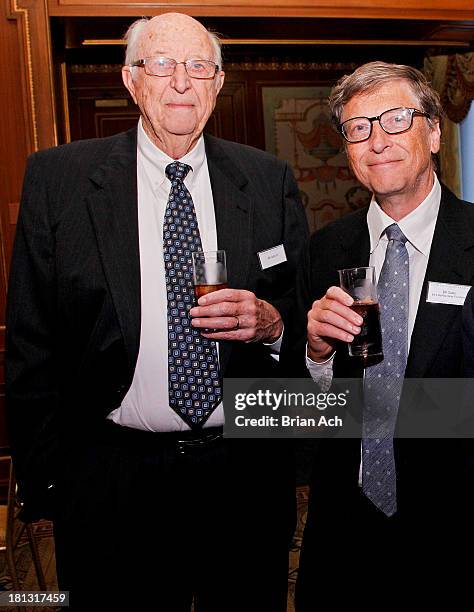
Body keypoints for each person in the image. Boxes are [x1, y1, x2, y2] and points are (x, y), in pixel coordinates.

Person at [5, 13, 308, 611]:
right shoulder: (59, 179)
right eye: (161, 65)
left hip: (242, 475)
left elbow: (301, 318)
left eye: (198, 67)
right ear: (130, 79)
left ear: (218, 84)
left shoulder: (267, 178)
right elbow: (31, 343)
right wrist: (50, 487)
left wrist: (273, 324)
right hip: (112, 480)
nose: (180, 82)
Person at [282, 61, 474, 608]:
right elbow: (304, 416)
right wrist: (316, 356)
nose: (377, 141)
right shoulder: (324, 249)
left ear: (434, 131)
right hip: (344, 533)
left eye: (395, 120)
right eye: (358, 127)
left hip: (456, 532)